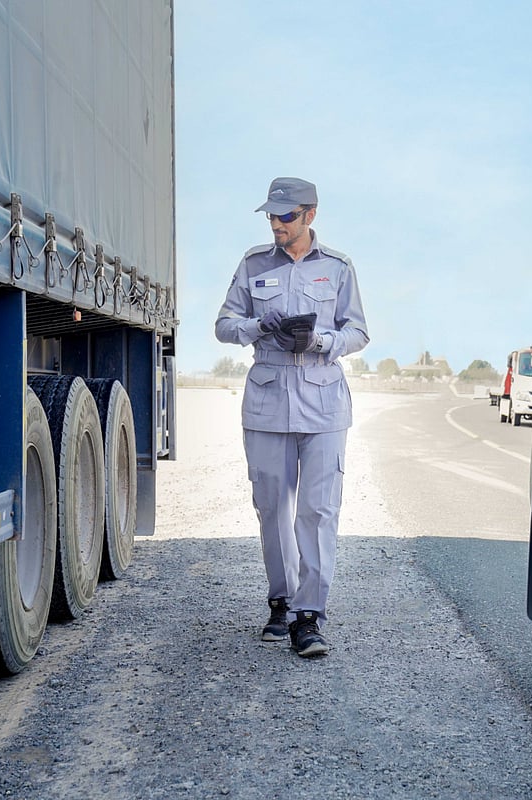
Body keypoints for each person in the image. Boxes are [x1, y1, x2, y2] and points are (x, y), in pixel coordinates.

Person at [214, 177, 370, 658]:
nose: (277, 224)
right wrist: (258, 326)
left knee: (318, 511)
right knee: (273, 510)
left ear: (310, 215)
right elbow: (223, 325)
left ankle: (310, 615)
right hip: (266, 403)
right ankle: (281, 602)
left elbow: (358, 331)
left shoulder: (339, 268)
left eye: (286, 216)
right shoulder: (253, 264)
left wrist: (321, 341)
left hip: (323, 405)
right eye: (272, 216)